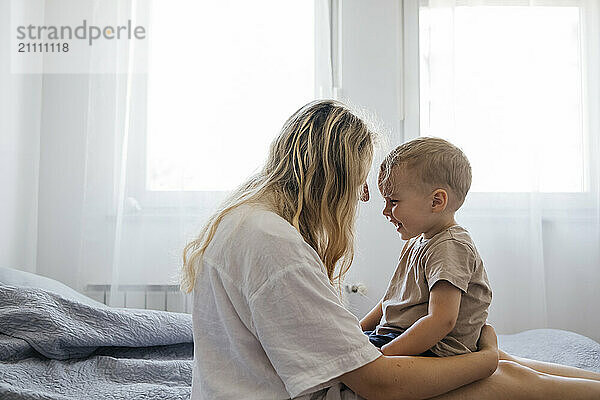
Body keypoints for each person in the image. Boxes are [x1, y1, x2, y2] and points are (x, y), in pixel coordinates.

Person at [181, 99, 600, 399]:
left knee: (508, 367)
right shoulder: (273, 245)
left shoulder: (245, 222)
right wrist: (485, 359)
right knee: (504, 377)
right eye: (360, 181)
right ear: (333, 175)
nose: (365, 199)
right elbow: (379, 383)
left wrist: (366, 341)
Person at [361, 137, 492, 358]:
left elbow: (441, 321)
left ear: (436, 202)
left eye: (393, 201)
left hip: (433, 349)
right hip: (397, 336)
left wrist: (385, 355)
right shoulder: (416, 243)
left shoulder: (449, 247)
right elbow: (390, 301)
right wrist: (357, 331)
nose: (385, 211)